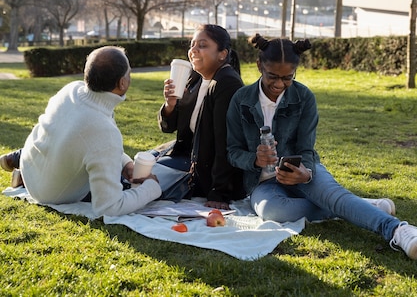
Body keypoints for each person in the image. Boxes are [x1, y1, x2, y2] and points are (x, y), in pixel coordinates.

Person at [226, 33, 417, 259]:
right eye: (272, 76)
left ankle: (398, 230)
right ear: (259, 65)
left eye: (287, 77)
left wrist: (305, 173)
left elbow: (306, 148)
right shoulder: (241, 100)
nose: (279, 84)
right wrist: (254, 160)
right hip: (264, 183)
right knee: (272, 211)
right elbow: (232, 151)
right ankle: (357, 205)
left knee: (331, 195)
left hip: (302, 171)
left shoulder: (304, 97)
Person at [1, 46, 161, 217]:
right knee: (122, 186)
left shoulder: (71, 89)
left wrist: (126, 164)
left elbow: (94, 142)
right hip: (48, 194)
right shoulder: (104, 131)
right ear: (122, 83)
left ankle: (19, 166)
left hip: (30, 167)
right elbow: (109, 207)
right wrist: (151, 188)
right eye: (129, 72)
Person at [158, 24, 245, 210]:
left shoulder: (227, 83)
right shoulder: (195, 77)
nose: (193, 50)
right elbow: (168, 127)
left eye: (203, 45)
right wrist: (170, 104)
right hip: (183, 152)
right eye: (192, 45)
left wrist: (219, 192)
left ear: (222, 53)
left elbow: (226, 142)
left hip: (205, 168)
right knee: (137, 165)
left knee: (142, 176)